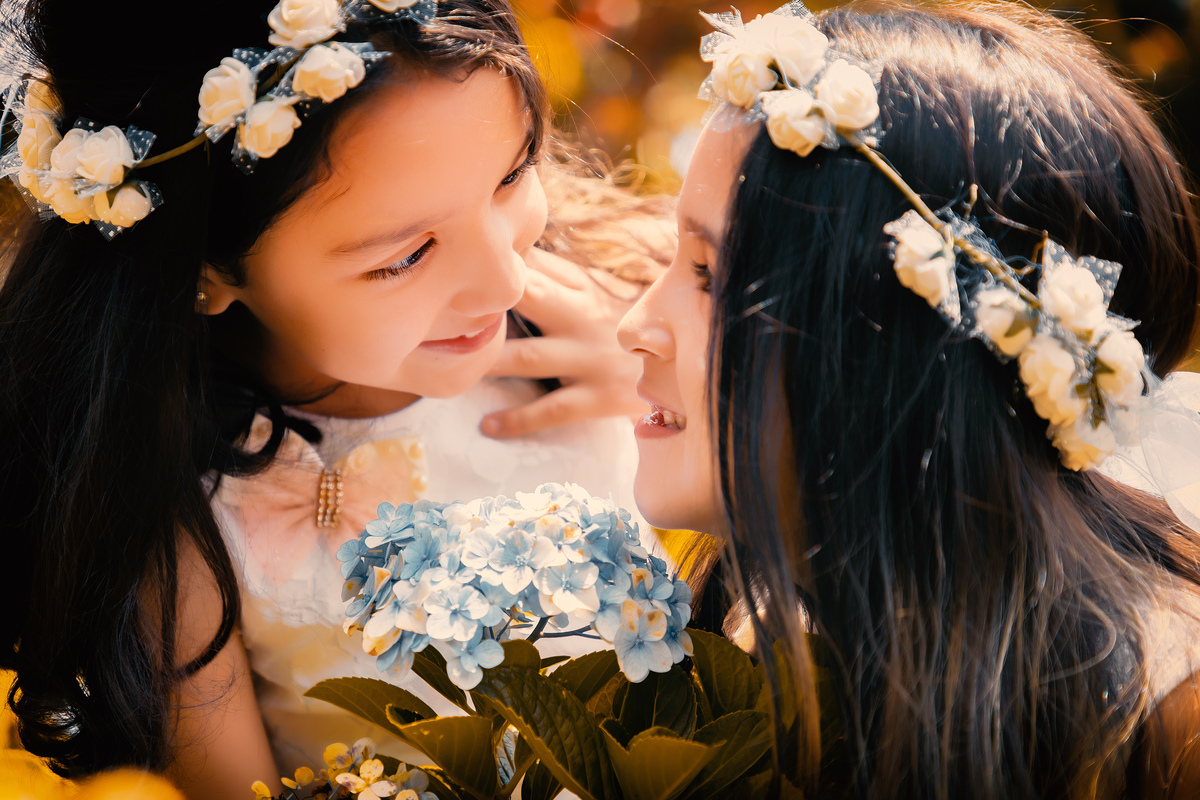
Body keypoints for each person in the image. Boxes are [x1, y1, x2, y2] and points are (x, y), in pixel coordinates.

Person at [0, 0, 670, 796]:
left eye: (513, 175)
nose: (504, 280)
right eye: (405, 257)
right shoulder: (178, 533)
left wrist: (664, 378)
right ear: (204, 271)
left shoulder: (631, 308)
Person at [619, 2, 1200, 797]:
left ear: (894, 341)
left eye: (710, 275)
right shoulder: (742, 635)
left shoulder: (1164, 728)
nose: (633, 325)